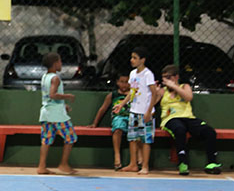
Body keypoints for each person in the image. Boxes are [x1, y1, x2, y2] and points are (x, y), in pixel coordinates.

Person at [158, 64, 222, 176]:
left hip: (188, 117)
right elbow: (152, 102)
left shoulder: (184, 86)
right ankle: (183, 163)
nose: (166, 81)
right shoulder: (162, 91)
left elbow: (188, 97)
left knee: (210, 132)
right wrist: (154, 91)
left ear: (176, 77)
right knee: (180, 130)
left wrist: (174, 86)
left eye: (168, 77)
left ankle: (212, 163)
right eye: (164, 78)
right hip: (170, 119)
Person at [113, 46, 157, 175]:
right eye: (132, 57)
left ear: (142, 60)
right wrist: (122, 104)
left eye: (135, 58)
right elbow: (132, 92)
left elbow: (154, 93)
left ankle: (145, 166)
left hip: (145, 112)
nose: (132, 60)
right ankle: (133, 164)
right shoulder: (132, 74)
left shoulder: (148, 74)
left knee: (145, 139)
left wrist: (149, 111)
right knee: (133, 138)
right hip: (134, 111)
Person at [37, 52, 77, 175]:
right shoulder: (55, 78)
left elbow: (48, 97)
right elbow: (52, 95)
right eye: (60, 62)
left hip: (46, 113)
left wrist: (63, 105)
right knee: (71, 137)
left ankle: (41, 166)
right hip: (57, 115)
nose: (61, 64)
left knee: (46, 140)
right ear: (55, 64)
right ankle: (63, 164)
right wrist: (67, 96)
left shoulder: (45, 77)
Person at [88, 72, 131, 170]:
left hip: (132, 117)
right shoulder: (113, 95)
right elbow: (102, 109)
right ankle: (117, 155)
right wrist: (95, 123)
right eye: (122, 82)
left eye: (127, 82)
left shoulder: (133, 94)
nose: (124, 84)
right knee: (118, 127)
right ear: (117, 82)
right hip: (119, 117)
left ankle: (138, 160)